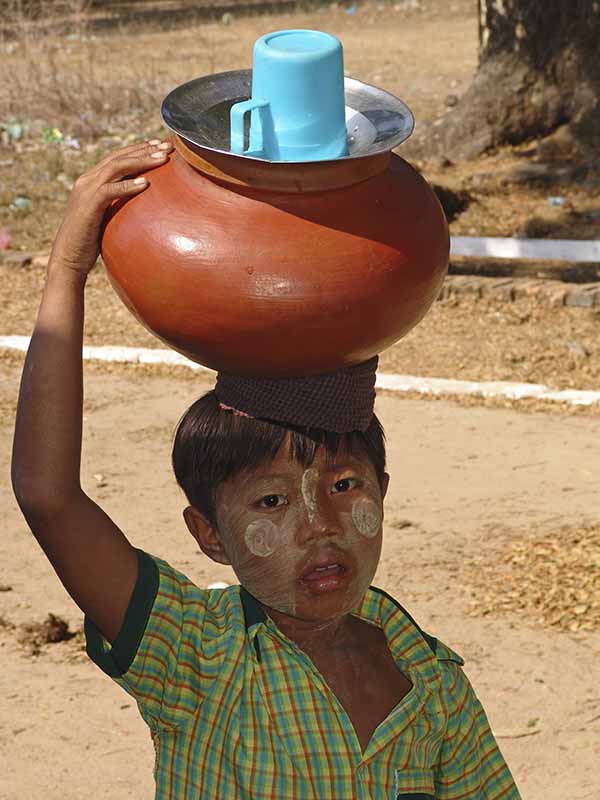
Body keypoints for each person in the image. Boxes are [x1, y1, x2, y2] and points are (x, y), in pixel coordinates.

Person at [11, 141, 521, 799]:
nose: (321, 526)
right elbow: (48, 495)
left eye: (344, 486)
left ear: (384, 492)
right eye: (272, 502)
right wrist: (67, 268)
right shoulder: (192, 654)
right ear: (210, 535)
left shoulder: (433, 683)